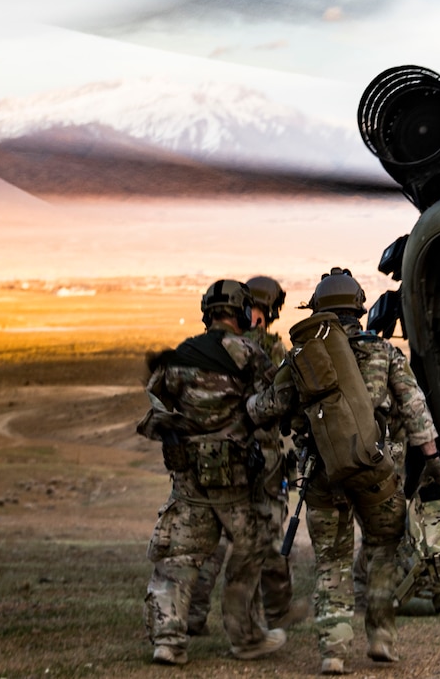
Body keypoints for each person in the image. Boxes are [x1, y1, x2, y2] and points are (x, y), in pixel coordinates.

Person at [251, 268, 438, 675]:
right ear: (359, 307)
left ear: (318, 309)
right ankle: (382, 639)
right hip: (380, 473)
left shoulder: (303, 357)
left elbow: (266, 408)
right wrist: (433, 461)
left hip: (322, 475)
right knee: (382, 553)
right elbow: (415, 409)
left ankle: (333, 651)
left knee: (331, 563)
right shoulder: (385, 353)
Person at [138, 278, 286, 667]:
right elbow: (274, 401)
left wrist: (183, 434)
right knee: (250, 552)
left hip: (188, 480)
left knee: (177, 558)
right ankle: (246, 639)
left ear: (207, 313)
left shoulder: (181, 354)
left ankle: (168, 641)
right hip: (234, 481)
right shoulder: (250, 354)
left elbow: (158, 404)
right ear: (240, 313)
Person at [186, 275, 305, 638]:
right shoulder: (267, 349)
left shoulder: (215, 345)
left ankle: (193, 612)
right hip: (263, 457)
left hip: (218, 453)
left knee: (217, 537)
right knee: (267, 535)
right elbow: (287, 395)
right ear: (267, 309)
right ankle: (276, 613)